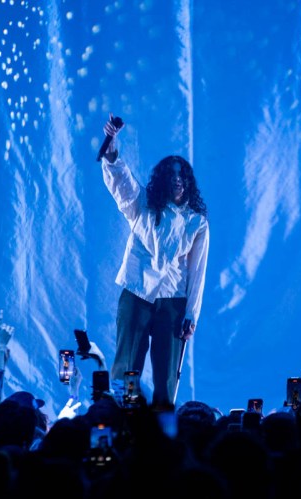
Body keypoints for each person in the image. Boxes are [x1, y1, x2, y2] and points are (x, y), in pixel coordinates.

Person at [99, 113, 210, 410]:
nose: (177, 180)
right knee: (127, 368)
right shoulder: (143, 205)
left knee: (166, 378)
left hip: (173, 303)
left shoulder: (196, 222)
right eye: (172, 175)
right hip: (137, 295)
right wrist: (111, 145)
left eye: (182, 176)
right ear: (163, 180)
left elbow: (197, 271)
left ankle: (163, 428)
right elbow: (122, 182)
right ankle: (122, 419)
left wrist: (191, 314)